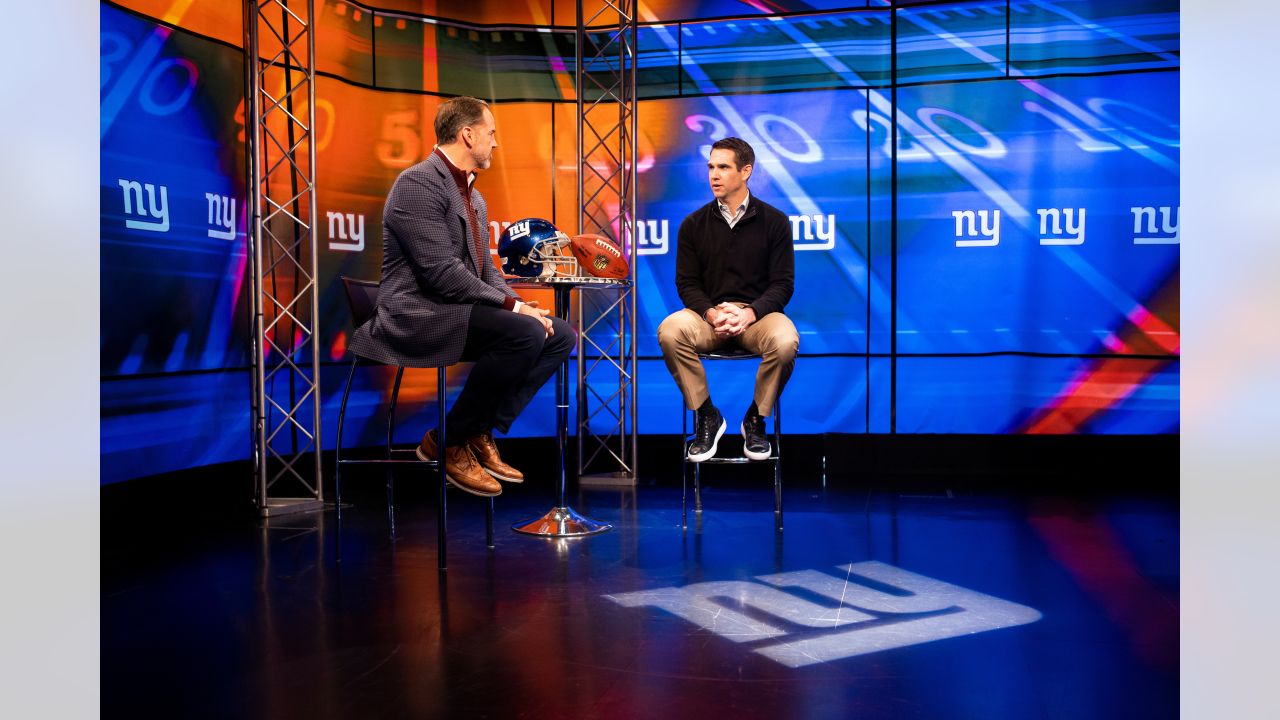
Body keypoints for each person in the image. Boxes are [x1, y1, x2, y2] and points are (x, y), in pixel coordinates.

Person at [349, 96, 574, 497]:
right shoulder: (418, 183)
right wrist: (514, 308)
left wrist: (522, 306)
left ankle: (476, 430)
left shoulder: (474, 195)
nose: (495, 143)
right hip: (417, 315)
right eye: (491, 133)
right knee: (522, 333)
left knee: (558, 333)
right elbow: (442, 274)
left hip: (455, 310)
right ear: (467, 134)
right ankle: (448, 440)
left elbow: (486, 272)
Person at [657, 137, 799, 462]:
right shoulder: (693, 225)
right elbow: (687, 284)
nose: (714, 175)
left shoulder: (775, 222)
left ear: (746, 171)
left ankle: (756, 419)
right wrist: (710, 313)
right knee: (670, 330)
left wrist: (749, 313)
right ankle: (707, 415)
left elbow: (782, 285)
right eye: (710, 167)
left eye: (723, 167)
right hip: (710, 318)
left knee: (786, 340)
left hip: (757, 318)